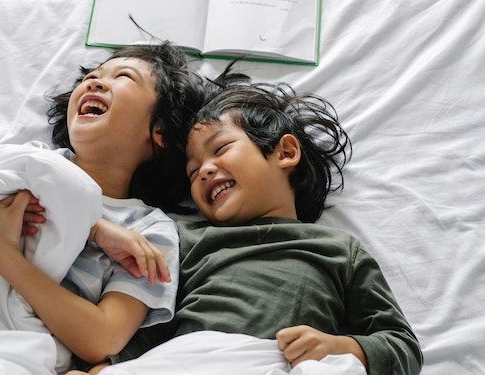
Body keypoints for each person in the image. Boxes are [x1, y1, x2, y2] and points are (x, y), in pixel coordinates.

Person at [84, 75, 423, 374]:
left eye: (221, 148)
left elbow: (400, 346)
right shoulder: (181, 236)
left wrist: (341, 347)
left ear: (285, 153)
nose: (203, 170)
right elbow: (152, 320)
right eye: (192, 171)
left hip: (280, 361)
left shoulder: (337, 249)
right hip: (192, 358)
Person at [0, 43, 205, 374]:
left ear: (159, 131)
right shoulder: (35, 162)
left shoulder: (147, 231)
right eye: (92, 76)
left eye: (123, 76)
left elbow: (102, 337)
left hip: (8, 344)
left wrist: (6, 254)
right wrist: (94, 227)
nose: (95, 82)